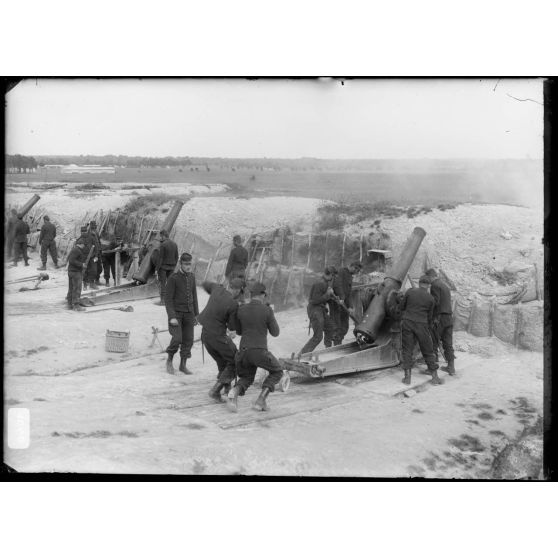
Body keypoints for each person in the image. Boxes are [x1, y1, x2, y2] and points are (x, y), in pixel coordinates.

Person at [227, 281, 283, 412]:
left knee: (247, 377)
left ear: (251, 295)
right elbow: (276, 333)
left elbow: (239, 331)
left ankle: (234, 392)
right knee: (277, 371)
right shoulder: (267, 310)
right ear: (263, 295)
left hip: (243, 351)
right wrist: (271, 314)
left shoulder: (242, 309)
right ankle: (261, 400)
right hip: (259, 351)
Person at [198, 278, 245, 402]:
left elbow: (205, 283)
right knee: (236, 360)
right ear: (236, 290)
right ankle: (215, 390)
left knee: (223, 362)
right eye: (240, 292)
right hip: (217, 336)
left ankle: (227, 388)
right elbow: (232, 329)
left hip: (205, 336)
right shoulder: (233, 304)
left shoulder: (216, 288)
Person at [400, 275, 443, 386]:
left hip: (408, 323)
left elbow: (401, 307)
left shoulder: (410, 292)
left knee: (407, 350)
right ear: (428, 285)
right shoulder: (431, 298)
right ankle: (435, 377)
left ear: (419, 283)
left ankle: (407, 378)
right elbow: (430, 317)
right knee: (427, 350)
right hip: (422, 325)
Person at [164, 252, 199, 375]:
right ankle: (169, 360)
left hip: (189, 313)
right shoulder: (173, 278)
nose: (188, 266)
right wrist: (172, 316)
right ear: (180, 264)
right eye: (185, 264)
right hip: (177, 315)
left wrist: (196, 315)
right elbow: (167, 300)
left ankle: (183, 365)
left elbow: (194, 296)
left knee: (188, 340)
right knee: (177, 338)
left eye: (190, 264)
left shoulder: (192, 277)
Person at [298, 266, 337, 356]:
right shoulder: (320, 283)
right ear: (330, 274)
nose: (333, 278)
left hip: (320, 309)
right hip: (315, 310)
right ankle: (302, 355)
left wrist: (332, 297)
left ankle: (328, 350)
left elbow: (322, 298)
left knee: (330, 327)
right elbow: (314, 300)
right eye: (333, 275)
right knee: (318, 337)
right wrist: (327, 295)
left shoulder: (325, 282)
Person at [426, 268, 456, 375]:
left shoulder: (434, 285)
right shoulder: (444, 285)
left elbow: (435, 302)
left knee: (432, 341)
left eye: (428, 278)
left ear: (430, 277)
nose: (428, 281)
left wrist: (430, 314)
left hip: (440, 318)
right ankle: (451, 367)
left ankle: (432, 368)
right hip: (449, 317)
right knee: (448, 343)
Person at [329, 261, 362, 345]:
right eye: (356, 270)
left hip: (343, 304)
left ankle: (338, 342)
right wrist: (342, 298)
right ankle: (336, 345)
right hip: (336, 302)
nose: (357, 272)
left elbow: (349, 293)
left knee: (345, 327)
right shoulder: (341, 272)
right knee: (337, 326)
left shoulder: (350, 276)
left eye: (358, 271)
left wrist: (351, 306)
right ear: (352, 266)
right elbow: (337, 285)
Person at [156, 229, 179, 305]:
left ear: (163, 236)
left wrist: (157, 269)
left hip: (163, 267)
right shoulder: (174, 244)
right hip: (171, 268)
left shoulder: (163, 245)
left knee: (162, 283)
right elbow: (177, 257)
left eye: (161, 236)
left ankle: (162, 301)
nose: (160, 238)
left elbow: (160, 258)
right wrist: (174, 265)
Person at [66, 239, 87, 311]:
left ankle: (69, 304)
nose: (84, 246)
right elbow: (72, 260)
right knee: (77, 288)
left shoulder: (75, 249)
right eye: (84, 245)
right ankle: (76, 305)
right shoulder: (77, 250)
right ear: (81, 244)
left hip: (72, 271)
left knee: (71, 288)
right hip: (75, 272)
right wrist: (81, 265)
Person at [76, 225, 93, 290]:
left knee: (91, 270)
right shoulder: (79, 240)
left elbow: (94, 246)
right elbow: (77, 248)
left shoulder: (91, 238)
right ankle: (85, 284)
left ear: (87, 231)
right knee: (84, 271)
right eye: (82, 232)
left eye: (85, 231)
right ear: (81, 232)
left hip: (90, 256)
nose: (84, 233)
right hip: (82, 257)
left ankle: (89, 282)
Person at [87, 221, 102, 288]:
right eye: (93, 225)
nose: (95, 226)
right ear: (91, 226)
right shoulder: (89, 234)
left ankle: (97, 280)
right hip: (93, 255)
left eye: (95, 225)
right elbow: (89, 246)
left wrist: (100, 251)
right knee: (93, 269)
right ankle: (91, 283)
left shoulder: (96, 232)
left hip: (98, 253)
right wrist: (93, 255)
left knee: (99, 268)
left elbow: (98, 242)